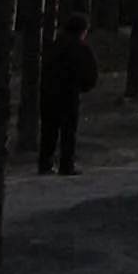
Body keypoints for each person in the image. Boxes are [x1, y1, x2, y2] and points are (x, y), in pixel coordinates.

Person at [37, 11, 98, 176]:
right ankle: (66, 164)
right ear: (82, 30)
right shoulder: (81, 48)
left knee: (48, 129)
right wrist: (84, 87)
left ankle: (45, 163)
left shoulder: (55, 45)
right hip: (69, 94)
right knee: (68, 131)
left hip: (49, 93)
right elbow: (89, 74)